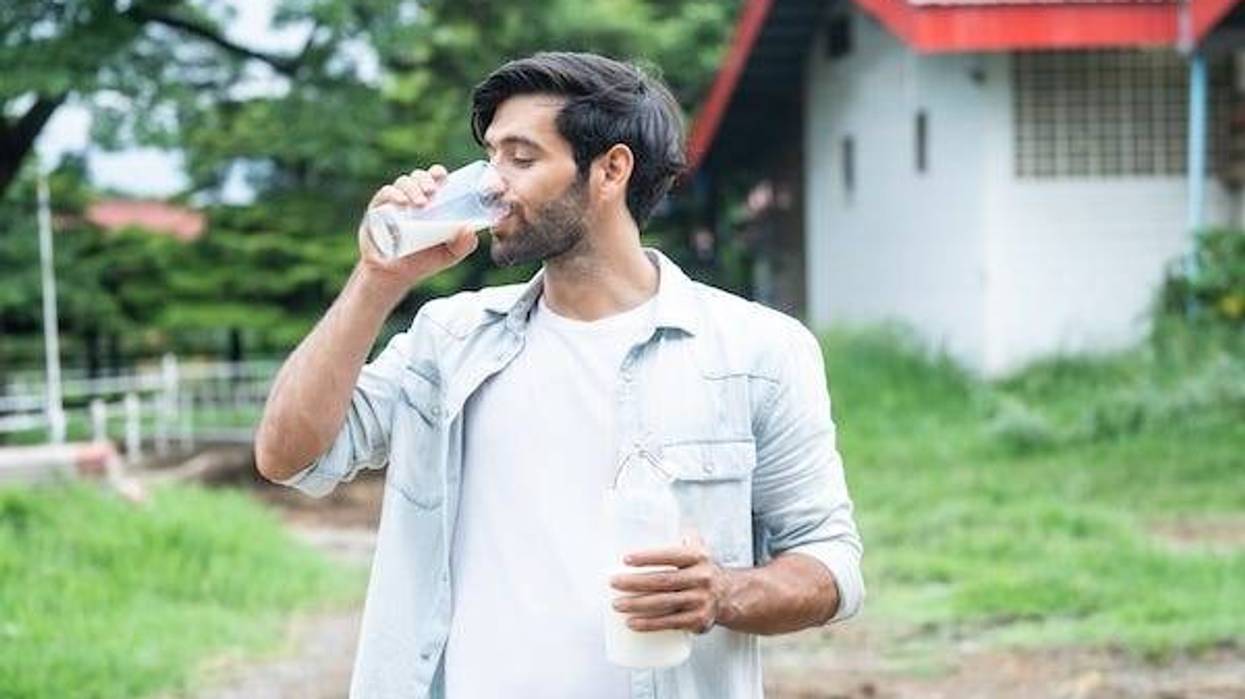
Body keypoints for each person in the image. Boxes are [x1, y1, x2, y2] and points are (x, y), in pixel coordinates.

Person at [255, 51, 863, 699]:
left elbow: (830, 564)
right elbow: (290, 456)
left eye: (520, 158)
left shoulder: (757, 351)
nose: (490, 183)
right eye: (489, 156)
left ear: (610, 169)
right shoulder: (447, 340)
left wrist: (723, 591)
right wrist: (375, 281)